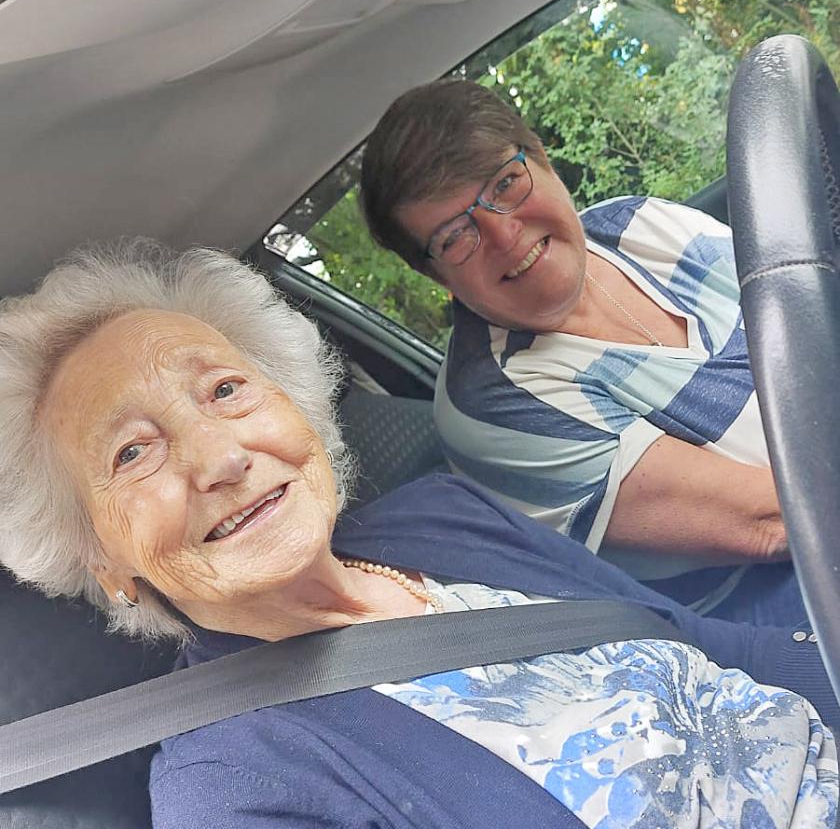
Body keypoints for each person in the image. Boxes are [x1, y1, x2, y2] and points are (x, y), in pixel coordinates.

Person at [0, 241, 836, 828]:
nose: (220, 457)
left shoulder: (445, 514)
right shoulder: (235, 789)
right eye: (133, 451)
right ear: (103, 560)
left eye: (224, 390)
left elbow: (707, 647)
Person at [360, 78, 793, 622]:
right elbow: (773, 522)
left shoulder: (639, 223)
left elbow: (804, 309)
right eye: (453, 237)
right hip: (785, 606)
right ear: (433, 273)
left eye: (505, 183)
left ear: (542, 159)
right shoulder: (495, 401)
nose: (504, 234)